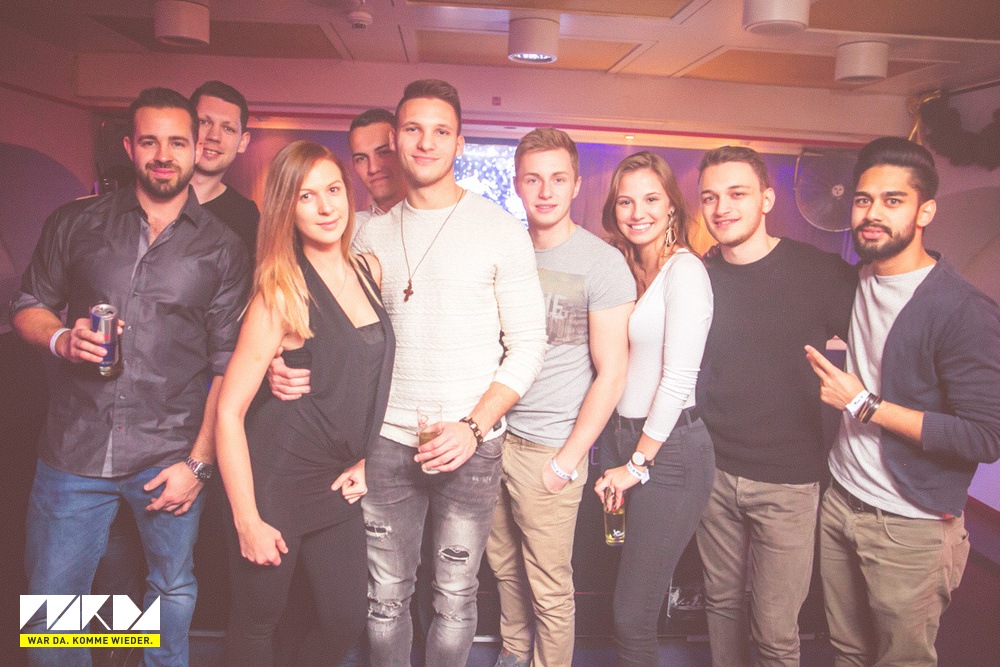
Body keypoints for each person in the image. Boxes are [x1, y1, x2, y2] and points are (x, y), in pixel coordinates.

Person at [270, 79, 546, 667]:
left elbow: (528, 348)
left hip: (472, 444)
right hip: (383, 445)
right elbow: (323, 326)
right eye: (413, 130)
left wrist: (473, 427)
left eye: (441, 131)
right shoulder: (364, 233)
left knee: (455, 597)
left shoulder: (500, 230)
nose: (426, 143)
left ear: (459, 143)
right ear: (395, 140)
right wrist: (281, 363)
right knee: (385, 598)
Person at [12, 87, 250, 666]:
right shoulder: (76, 222)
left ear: (195, 148)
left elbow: (227, 366)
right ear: (129, 147)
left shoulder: (223, 247)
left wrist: (198, 464)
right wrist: (61, 338)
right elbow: (28, 304)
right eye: (150, 142)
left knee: (170, 588)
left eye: (177, 142)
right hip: (74, 450)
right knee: (53, 605)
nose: (163, 155)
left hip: (167, 456)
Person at [804, 136, 1000, 667]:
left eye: (893, 201)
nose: (873, 214)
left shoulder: (961, 309)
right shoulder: (858, 280)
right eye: (864, 200)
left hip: (910, 524)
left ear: (924, 211)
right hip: (841, 499)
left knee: (901, 660)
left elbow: (985, 437)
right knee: (846, 650)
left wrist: (865, 405)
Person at [215, 140, 394, 665]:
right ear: (286, 209)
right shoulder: (279, 292)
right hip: (275, 481)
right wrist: (247, 519)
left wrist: (366, 458)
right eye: (306, 196)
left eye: (333, 190)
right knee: (258, 621)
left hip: (335, 482)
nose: (325, 207)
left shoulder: (369, 270)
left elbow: (365, 381)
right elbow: (228, 411)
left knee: (343, 620)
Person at [694, 146, 857, 667]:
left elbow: (883, 350)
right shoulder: (698, 276)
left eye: (737, 194)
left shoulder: (820, 271)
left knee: (774, 629)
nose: (722, 207)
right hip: (713, 473)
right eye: (710, 197)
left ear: (766, 199)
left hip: (789, 482)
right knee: (720, 605)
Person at [486, 128, 634, 667]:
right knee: (503, 568)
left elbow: (612, 373)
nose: (545, 191)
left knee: (549, 586)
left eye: (557, 179)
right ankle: (512, 653)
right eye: (533, 179)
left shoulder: (601, 262)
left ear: (576, 185)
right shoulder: (502, 249)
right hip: (492, 438)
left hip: (548, 448)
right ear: (517, 185)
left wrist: (567, 462)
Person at [592, 151, 715, 666]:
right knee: (622, 595)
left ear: (671, 208)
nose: (637, 212)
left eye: (650, 199)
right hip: (623, 440)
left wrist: (638, 464)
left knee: (632, 615)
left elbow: (679, 379)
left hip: (669, 452)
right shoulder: (625, 267)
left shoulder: (685, 272)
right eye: (626, 201)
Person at [190, 80, 260, 254]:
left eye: (228, 128)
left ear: (242, 142)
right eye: (203, 122)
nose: (214, 136)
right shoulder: (145, 196)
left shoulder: (246, 217)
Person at [349, 108, 408, 226]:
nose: (373, 168)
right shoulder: (350, 229)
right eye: (361, 159)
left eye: (384, 152)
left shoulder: (441, 219)